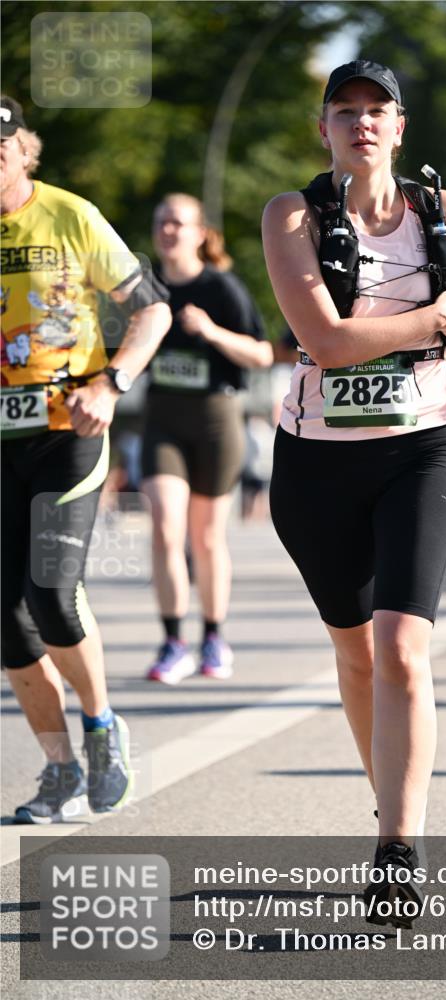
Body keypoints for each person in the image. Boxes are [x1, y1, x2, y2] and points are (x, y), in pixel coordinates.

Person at [262, 60, 446, 924]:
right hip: (316, 462)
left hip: (424, 448)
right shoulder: (291, 215)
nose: (362, 124)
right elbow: (327, 344)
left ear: (399, 128)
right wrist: (440, 316)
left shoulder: (442, 212)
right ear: (324, 127)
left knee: (402, 644)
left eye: (378, 111)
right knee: (357, 653)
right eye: (345, 111)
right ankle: (392, 804)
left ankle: (397, 849)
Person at [1, 96, 171, 823]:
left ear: (22, 151)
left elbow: (152, 307)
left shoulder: (69, 215)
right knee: (5, 621)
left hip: (70, 426)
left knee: (50, 591)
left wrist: (113, 380)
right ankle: (60, 769)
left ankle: (102, 727)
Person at [142, 194, 272, 684]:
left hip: (216, 419)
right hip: (163, 419)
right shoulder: (143, 287)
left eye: (179, 222)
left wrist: (212, 332)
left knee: (206, 536)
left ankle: (214, 637)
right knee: (164, 526)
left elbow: (262, 353)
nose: (169, 230)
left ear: (199, 233)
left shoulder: (220, 287)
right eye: (162, 222)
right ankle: (174, 641)